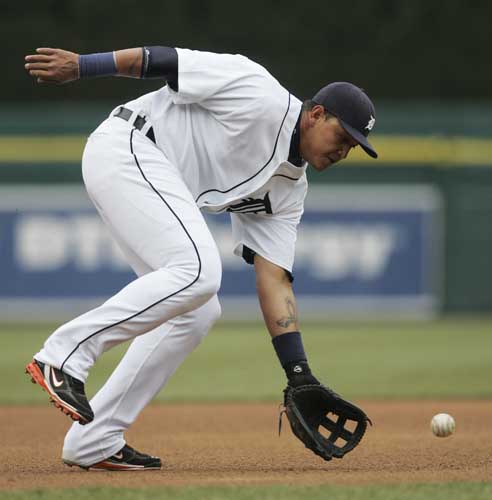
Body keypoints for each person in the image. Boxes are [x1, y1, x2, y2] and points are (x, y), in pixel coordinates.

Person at [24, 45, 377, 471]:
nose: (344, 150)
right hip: (128, 145)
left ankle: (94, 439)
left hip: (148, 175)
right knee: (198, 271)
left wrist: (298, 372)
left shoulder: (288, 192)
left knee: (198, 310)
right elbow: (163, 59)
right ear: (317, 114)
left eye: (354, 147)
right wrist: (83, 67)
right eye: (344, 136)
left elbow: (275, 279)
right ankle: (64, 355)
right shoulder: (258, 92)